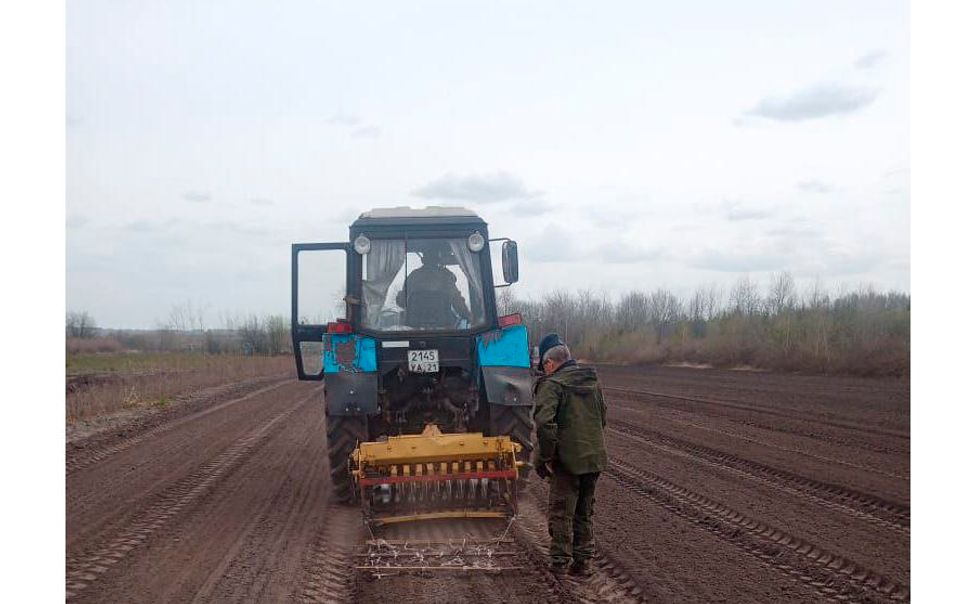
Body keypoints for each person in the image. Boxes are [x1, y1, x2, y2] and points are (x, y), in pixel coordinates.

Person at [532, 333, 608, 578]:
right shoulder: (592, 382)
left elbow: (544, 424)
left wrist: (546, 458)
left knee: (561, 510)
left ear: (550, 364)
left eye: (545, 367)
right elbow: (602, 417)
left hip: (567, 461)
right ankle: (582, 562)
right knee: (584, 511)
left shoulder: (553, 385)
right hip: (593, 458)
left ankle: (559, 563)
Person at [395, 244, 472, 326]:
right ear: (438, 259)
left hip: (415, 328)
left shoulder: (413, 276)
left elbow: (401, 302)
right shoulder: (446, 276)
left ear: (423, 259)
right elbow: (457, 301)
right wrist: (468, 316)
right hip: (443, 328)